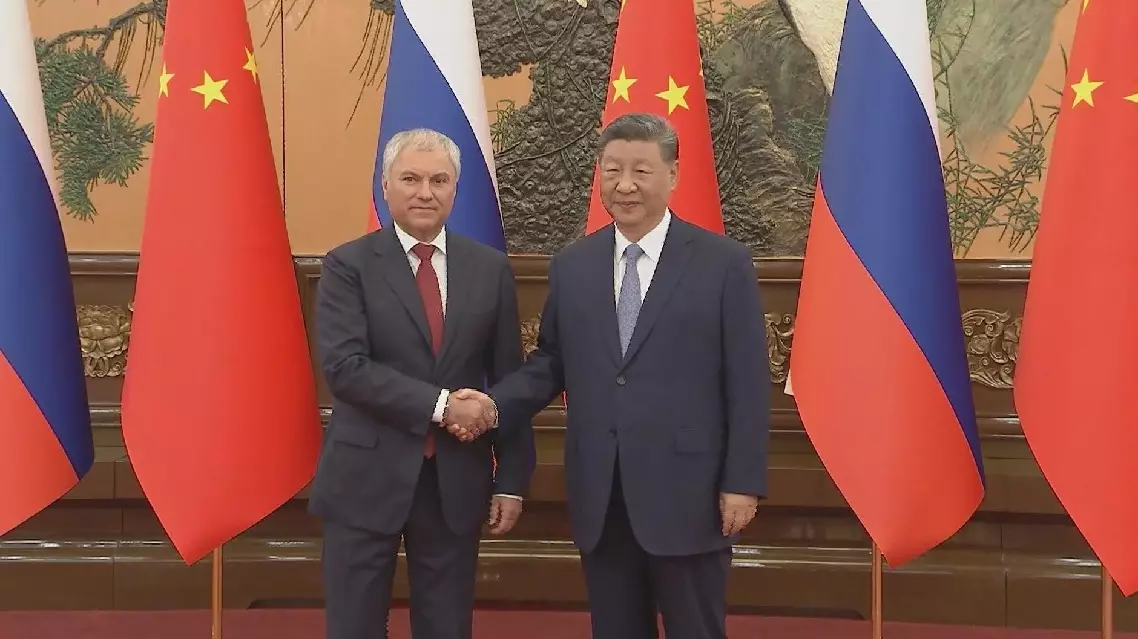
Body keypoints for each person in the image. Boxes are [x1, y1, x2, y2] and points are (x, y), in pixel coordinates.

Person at [455, 112, 770, 639]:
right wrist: (492, 405)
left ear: (673, 174)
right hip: (602, 493)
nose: (625, 185)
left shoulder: (723, 264)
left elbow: (747, 383)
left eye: (641, 171)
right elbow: (551, 362)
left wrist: (742, 482)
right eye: (612, 170)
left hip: (689, 494)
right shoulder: (573, 265)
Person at [309, 127, 534, 639]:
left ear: (456, 189)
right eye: (410, 179)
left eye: (439, 180)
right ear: (385, 186)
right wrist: (442, 406)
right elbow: (345, 368)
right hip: (365, 478)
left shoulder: (489, 269)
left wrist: (512, 479)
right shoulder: (348, 265)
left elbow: (507, 381)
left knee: (447, 626)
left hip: (454, 481)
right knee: (355, 626)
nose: (425, 192)